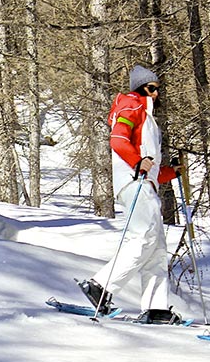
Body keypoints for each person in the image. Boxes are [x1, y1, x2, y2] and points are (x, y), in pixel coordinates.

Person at [76, 65, 181, 323]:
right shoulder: (131, 104)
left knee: (156, 248)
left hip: (145, 183)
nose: (157, 93)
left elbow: (151, 167)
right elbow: (118, 140)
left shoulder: (147, 115)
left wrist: (171, 172)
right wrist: (136, 162)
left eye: (158, 88)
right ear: (141, 88)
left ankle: (157, 308)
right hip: (133, 183)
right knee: (144, 237)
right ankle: (100, 285)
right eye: (152, 88)